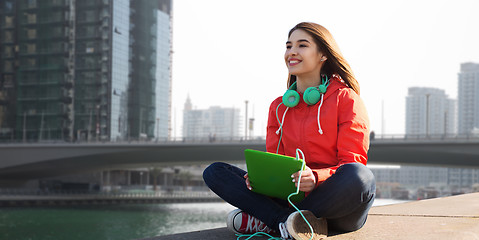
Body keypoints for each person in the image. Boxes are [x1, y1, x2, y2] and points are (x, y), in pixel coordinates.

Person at [203, 22, 376, 240]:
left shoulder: (346, 99)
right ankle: (287, 222)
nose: (291, 52)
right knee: (215, 171)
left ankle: (273, 220)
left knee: (361, 176)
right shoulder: (279, 107)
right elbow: (277, 164)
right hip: (293, 196)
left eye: (302, 45)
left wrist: (315, 177)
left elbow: (353, 161)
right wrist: (260, 180)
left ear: (323, 55)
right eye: (288, 46)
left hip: (336, 204)